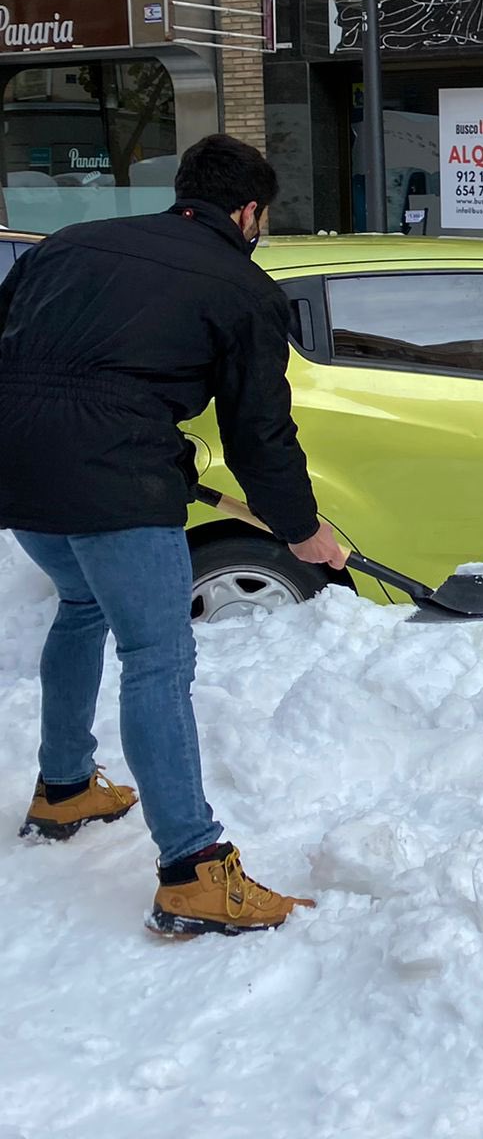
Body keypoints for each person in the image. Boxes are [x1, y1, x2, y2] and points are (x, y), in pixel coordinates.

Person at [0, 134, 348, 937]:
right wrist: (303, 531)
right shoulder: (242, 284)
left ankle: (63, 787)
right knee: (157, 658)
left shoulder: (69, 245)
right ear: (249, 211)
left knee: (83, 604)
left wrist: (152, 450)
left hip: (17, 470)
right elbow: (260, 432)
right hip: (114, 479)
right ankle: (192, 871)